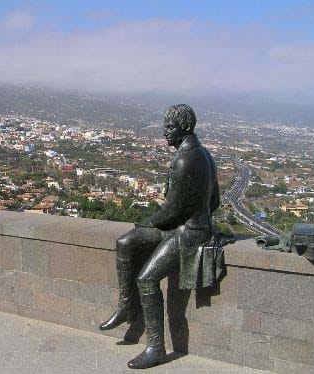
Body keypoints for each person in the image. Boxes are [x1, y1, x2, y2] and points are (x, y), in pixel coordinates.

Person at [99, 104, 220, 369]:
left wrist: (146, 222)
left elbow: (174, 210)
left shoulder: (186, 159)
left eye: (170, 127)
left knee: (146, 279)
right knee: (125, 242)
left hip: (191, 233)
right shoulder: (204, 154)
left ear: (185, 128)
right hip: (181, 226)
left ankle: (156, 347)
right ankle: (126, 306)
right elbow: (216, 201)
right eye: (165, 126)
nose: (165, 132)